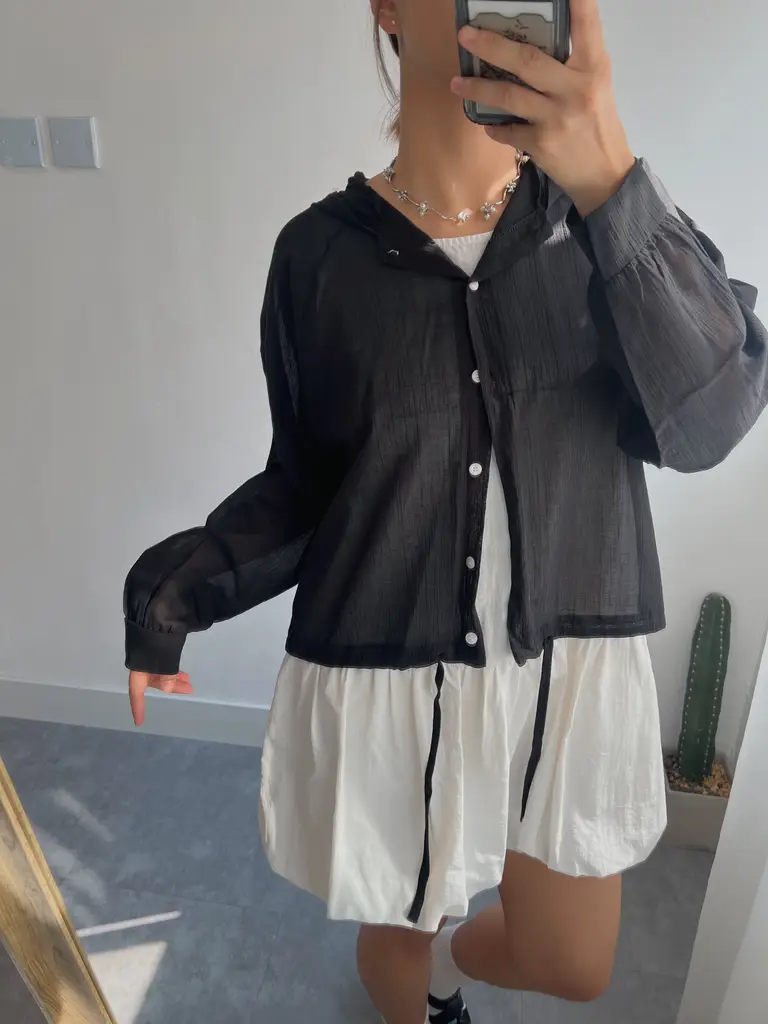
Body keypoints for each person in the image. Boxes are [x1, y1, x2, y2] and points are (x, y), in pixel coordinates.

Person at [123, 2, 768, 1022]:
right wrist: (169, 599)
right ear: (387, 6)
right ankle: (425, 1001)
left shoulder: (611, 226)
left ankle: (449, 967)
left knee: (572, 961)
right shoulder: (318, 257)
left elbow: (709, 422)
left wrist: (609, 184)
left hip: (566, 679)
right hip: (393, 678)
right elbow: (307, 482)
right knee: (400, 933)